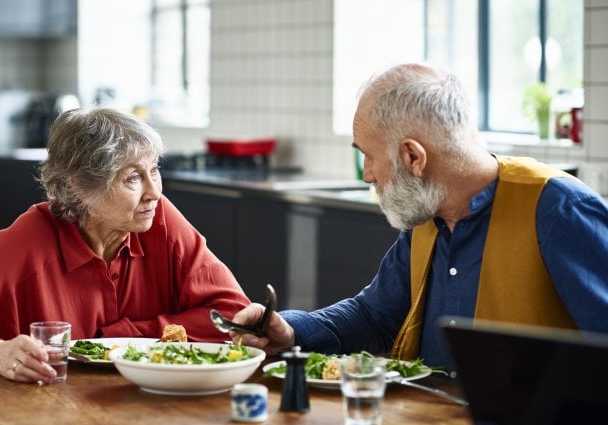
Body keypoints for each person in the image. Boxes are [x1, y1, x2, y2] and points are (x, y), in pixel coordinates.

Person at [231, 63, 608, 372]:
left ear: (414, 157)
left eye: (369, 155)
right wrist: (291, 330)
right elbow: (373, 315)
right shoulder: (429, 213)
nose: (367, 174)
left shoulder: (559, 210)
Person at [0, 107, 250, 425]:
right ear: (80, 187)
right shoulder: (28, 240)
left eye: (154, 169)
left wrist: (123, 339)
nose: (154, 192)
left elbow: (234, 316)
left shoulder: (159, 219)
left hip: (123, 418)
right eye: (132, 178)